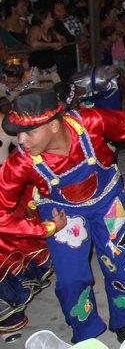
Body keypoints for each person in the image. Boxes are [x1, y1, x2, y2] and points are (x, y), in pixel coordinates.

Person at [0, 88, 125, 343]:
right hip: (63, 215)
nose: (21, 140)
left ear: (55, 126)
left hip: (108, 202)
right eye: (18, 132)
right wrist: (44, 229)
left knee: (123, 264)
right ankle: (86, 332)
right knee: (71, 280)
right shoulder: (20, 163)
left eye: (30, 132)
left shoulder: (90, 122)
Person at [0, 112, 52, 341]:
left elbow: (27, 150)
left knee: (12, 250)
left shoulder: (3, 121)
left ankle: (11, 316)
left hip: (6, 192)